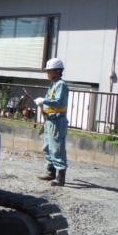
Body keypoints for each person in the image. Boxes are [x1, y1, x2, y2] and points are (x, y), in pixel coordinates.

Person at [34, 58, 69, 186]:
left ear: (58, 71)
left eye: (49, 70)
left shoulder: (61, 85)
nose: (47, 73)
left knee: (57, 148)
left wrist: (44, 101)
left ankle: (60, 177)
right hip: (50, 121)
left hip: (57, 121)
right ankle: (50, 172)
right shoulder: (53, 84)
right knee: (48, 147)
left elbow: (59, 102)